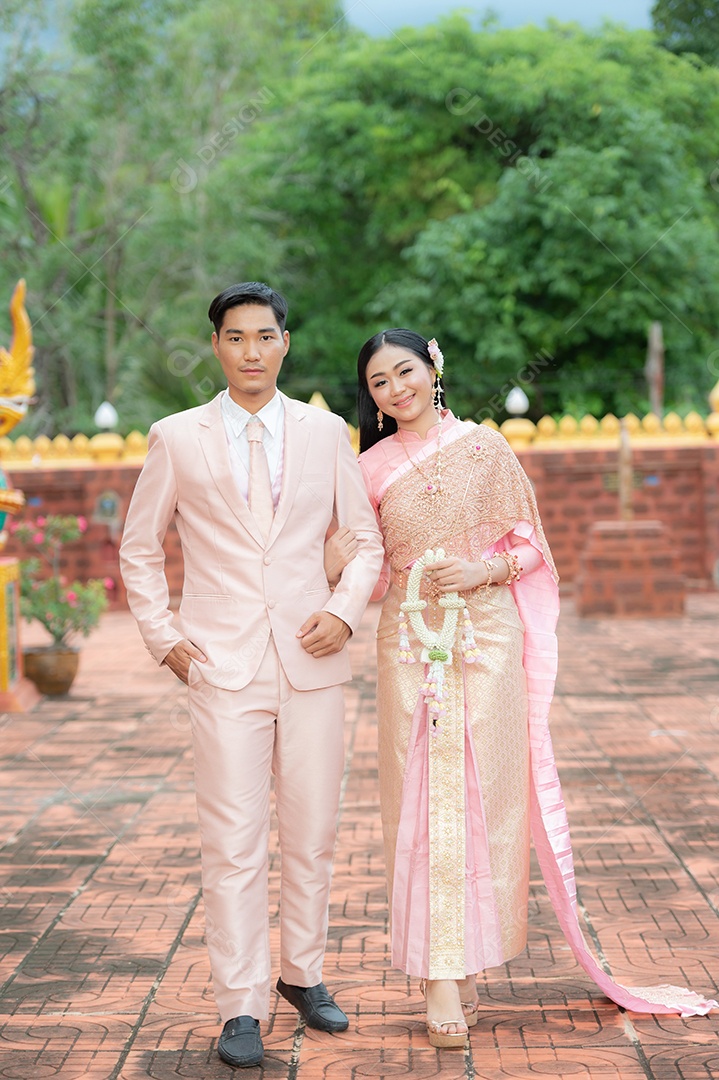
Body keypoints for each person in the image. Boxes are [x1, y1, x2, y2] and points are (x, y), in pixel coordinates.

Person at [332, 327, 717, 1048]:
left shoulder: (484, 447)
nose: (394, 389)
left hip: (486, 638)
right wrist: (335, 547)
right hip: (409, 641)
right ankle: (439, 972)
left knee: (485, 799)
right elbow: (367, 566)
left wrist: (483, 572)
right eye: (379, 381)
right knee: (416, 799)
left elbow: (529, 546)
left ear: (432, 370)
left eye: (404, 372)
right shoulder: (369, 467)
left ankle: (466, 958)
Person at [119, 282, 384, 1069]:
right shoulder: (176, 436)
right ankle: (239, 1004)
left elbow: (362, 539)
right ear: (216, 347)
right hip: (220, 665)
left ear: (285, 343)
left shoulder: (326, 432)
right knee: (232, 843)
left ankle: (302, 975)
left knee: (312, 836)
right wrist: (163, 636)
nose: (251, 352)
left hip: (313, 658)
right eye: (235, 338)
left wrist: (343, 609)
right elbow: (139, 546)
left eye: (264, 337)